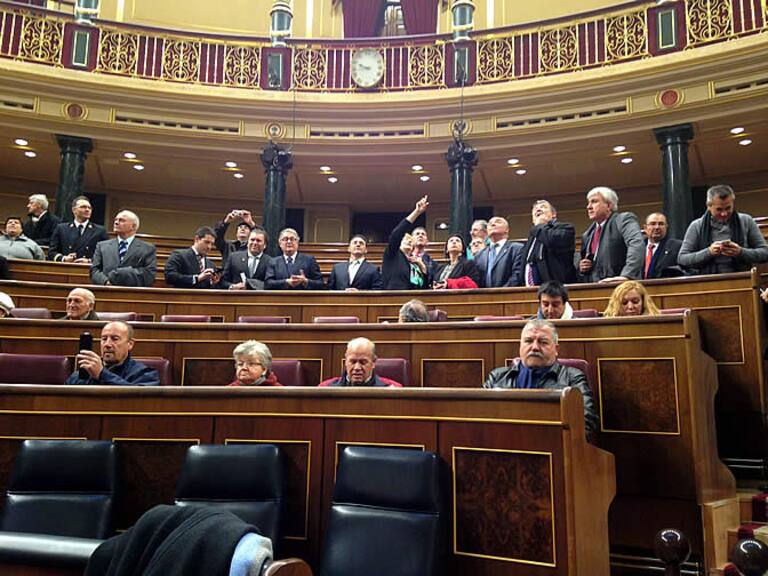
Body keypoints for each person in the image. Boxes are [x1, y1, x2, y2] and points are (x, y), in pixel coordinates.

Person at [482, 319, 598, 440]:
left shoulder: (572, 377)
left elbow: (586, 422)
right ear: (520, 346)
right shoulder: (497, 377)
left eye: (543, 342)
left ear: (556, 349)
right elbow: (479, 416)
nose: (535, 347)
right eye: (528, 341)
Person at [678, 185, 768, 275]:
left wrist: (741, 252)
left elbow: (765, 252)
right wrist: (709, 252)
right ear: (709, 206)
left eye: (728, 208)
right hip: (709, 280)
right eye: (719, 209)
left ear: (733, 203)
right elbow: (682, 259)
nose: (724, 213)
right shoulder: (696, 226)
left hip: (742, 277)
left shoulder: (746, 221)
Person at [578, 186, 644, 283]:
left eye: (594, 201)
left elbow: (636, 244)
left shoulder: (624, 220)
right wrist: (582, 267)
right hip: (595, 287)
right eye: (588, 203)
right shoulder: (588, 234)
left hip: (621, 285)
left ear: (609, 205)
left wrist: (627, 275)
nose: (589, 207)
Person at [65, 321, 160, 386]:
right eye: (104, 339)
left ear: (130, 344)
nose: (107, 344)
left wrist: (102, 374)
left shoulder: (145, 374)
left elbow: (138, 400)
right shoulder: (83, 373)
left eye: (115, 339)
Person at [91, 210, 157, 287]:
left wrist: (119, 274)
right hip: (106, 289)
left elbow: (149, 275)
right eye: (116, 220)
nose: (116, 222)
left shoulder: (147, 248)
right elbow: (94, 270)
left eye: (121, 220)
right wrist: (106, 282)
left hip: (132, 291)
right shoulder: (102, 246)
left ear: (133, 226)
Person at [520, 200, 577, 286]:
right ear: (533, 219)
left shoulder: (566, 228)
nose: (538, 209)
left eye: (543, 207)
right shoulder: (531, 238)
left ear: (553, 214)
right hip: (528, 290)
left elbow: (552, 240)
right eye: (535, 209)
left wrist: (540, 225)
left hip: (556, 288)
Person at [381, 196, 431, 290]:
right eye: (406, 239)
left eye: (411, 240)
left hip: (414, 297)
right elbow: (396, 234)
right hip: (394, 296)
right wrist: (416, 212)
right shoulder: (393, 254)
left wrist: (422, 267)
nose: (409, 241)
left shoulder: (415, 262)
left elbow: (424, 287)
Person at [319, 337, 403, 387]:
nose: (357, 368)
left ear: (373, 363)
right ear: (346, 362)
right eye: (353, 362)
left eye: (363, 362)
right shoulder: (325, 388)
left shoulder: (393, 390)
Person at [48, 196, 109, 263]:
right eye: (83, 207)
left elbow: (105, 254)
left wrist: (89, 261)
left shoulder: (100, 231)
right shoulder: (61, 228)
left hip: (88, 268)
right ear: (74, 210)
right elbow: (51, 252)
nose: (87, 210)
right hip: (66, 266)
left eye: (89, 208)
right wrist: (63, 258)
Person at [474, 216, 524, 287]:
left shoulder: (517, 249)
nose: (493, 224)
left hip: (509, 292)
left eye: (498, 222)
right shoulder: (479, 255)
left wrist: (501, 292)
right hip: (484, 293)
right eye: (490, 224)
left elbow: (517, 275)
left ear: (507, 230)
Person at [643, 212, 684, 279]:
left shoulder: (677, 246)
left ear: (666, 227)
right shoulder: (638, 247)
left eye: (661, 224)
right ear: (645, 228)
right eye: (653, 224)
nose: (657, 227)